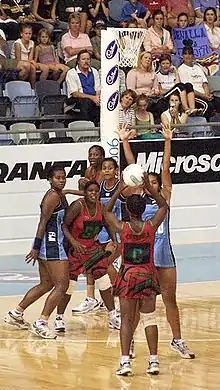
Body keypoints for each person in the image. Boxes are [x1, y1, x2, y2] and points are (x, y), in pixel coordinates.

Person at [118, 123, 195, 359]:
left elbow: (165, 169)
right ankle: (129, 343)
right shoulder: (137, 198)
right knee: (139, 305)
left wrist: (168, 141)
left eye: (154, 182)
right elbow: (132, 169)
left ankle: (178, 340)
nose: (149, 184)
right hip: (142, 260)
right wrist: (125, 142)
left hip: (164, 256)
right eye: (146, 182)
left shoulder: (164, 197)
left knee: (170, 300)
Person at [104, 176, 168, 376]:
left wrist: (119, 189)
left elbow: (106, 211)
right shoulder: (150, 227)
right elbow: (164, 206)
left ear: (128, 210)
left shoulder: (123, 228)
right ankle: (154, 360)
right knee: (149, 318)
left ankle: (125, 362)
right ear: (142, 209)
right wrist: (149, 187)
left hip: (128, 276)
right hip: (148, 275)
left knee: (126, 320)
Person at [4, 165, 69, 339]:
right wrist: (36, 247)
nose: (61, 180)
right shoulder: (53, 196)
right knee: (62, 285)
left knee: (46, 284)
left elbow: (66, 192)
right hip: (51, 245)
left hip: (50, 244)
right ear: (50, 179)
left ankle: (16, 313)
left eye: (63, 177)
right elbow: (42, 222)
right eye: (58, 178)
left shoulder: (59, 193)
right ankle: (41, 322)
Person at [54, 181, 120, 332]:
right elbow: (64, 225)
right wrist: (73, 242)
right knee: (70, 285)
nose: (93, 194)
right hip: (75, 249)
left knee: (103, 280)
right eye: (90, 191)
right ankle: (59, 317)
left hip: (91, 247)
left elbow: (107, 224)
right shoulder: (78, 205)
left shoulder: (101, 207)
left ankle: (112, 316)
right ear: (84, 192)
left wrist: (114, 239)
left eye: (96, 191)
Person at [178, 46, 220, 119]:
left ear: (193, 56)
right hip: (194, 96)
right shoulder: (181, 69)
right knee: (208, 106)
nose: (188, 56)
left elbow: (205, 83)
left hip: (204, 95)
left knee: (218, 102)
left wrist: (207, 94)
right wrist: (203, 96)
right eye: (185, 54)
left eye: (190, 54)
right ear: (182, 56)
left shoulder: (197, 67)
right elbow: (188, 88)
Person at [65, 49, 101, 125]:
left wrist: (97, 98)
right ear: (78, 61)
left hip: (93, 99)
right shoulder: (72, 73)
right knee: (86, 102)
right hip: (77, 99)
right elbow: (74, 93)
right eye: (83, 59)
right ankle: (87, 127)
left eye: (88, 59)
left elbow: (98, 89)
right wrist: (92, 98)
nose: (86, 61)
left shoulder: (94, 71)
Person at [11, 23, 49, 88]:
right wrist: (32, 62)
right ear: (21, 34)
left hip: (29, 62)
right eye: (26, 34)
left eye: (30, 33)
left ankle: (41, 87)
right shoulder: (18, 43)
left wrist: (32, 62)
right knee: (32, 67)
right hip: (18, 63)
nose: (28, 35)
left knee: (46, 68)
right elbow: (18, 60)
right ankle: (33, 87)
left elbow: (30, 58)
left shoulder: (32, 43)